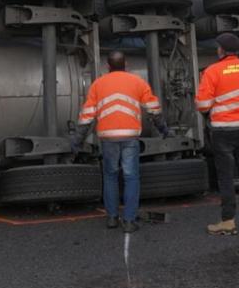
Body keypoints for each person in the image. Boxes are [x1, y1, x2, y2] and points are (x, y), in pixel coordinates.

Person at [71, 50, 170, 232]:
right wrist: (163, 129)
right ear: (126, 64)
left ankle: (112, 218)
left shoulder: (98, 84)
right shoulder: (137, 82)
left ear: (108, 66)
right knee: (131, 177)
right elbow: (154, 109)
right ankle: (129, 221)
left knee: (110, 176)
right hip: (130, 136)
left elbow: (87, 116)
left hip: (108, 137)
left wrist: (77, 140)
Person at [195, 32, 239, 235]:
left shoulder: (212, 71)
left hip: (223, 130)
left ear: (221, 50)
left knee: (226, 176)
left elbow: (203, 105)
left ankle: (228, 221)